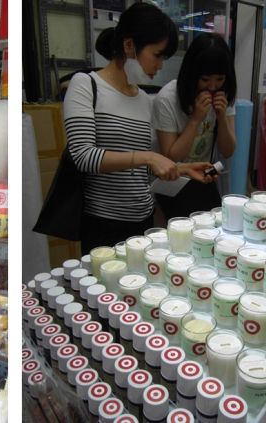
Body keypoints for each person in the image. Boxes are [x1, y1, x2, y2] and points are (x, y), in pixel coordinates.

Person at [64, 3, 217, 256]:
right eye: (156, 55)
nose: (159, 66)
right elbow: (82, 155)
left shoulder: (145, 100)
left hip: (144, 221)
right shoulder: (85, 85)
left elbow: (141, 172)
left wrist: (182, 169)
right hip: (104, 222)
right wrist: (150, 157)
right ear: (128, 45)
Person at [151, 32, 237, 220]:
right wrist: (195, 119)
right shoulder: (168, 98)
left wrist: (222, 117)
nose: (213, 87)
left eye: (220, 79)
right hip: (173, 181)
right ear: (192, 73)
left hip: (206, 174)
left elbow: (228, 151)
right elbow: (172, 156)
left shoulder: (225, 94)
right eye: (205, 80)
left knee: (217, 226)